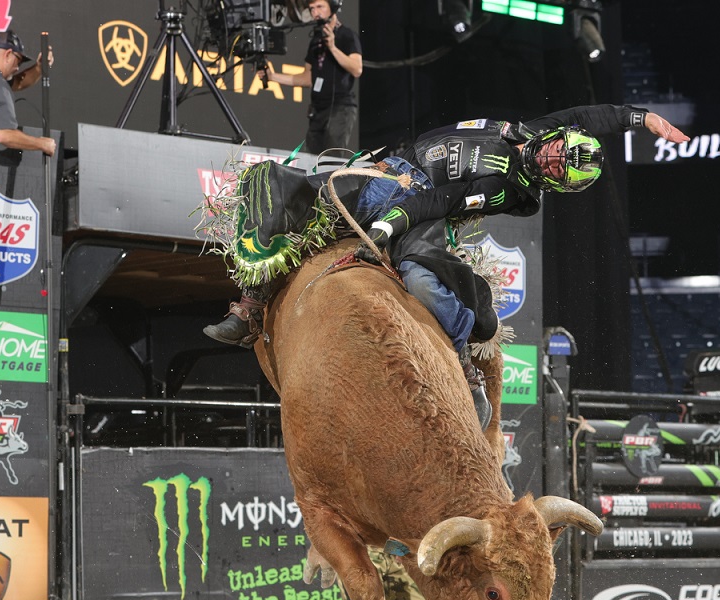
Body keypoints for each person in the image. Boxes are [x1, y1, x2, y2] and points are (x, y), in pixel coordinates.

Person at [202, 104, 689, 426]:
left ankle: (462, 366)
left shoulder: (509, 187)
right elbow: (589, 114)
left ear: (556, 182)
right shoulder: (528, 132)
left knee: (420, 277)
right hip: (382, 169)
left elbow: (440, 200)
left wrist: (388, 226)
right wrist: (641, 119)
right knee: (277, 189)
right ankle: (250, 305)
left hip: (418, 207)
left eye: (561, 167)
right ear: (559, 137)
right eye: (562, 149)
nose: (555, 157)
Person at [260, 0, 362, 156]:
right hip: (317, 110)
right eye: (312, 9)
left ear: (332, 8)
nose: (316, 13)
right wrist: (273, 77)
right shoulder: (315, 40)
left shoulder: (347, 35)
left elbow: (356, 68)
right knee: (312, 160)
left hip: (340, 108)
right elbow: (307, 78)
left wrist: (333, 48)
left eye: (320, 7)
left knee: (331, 160)